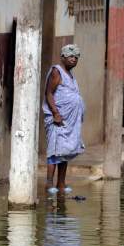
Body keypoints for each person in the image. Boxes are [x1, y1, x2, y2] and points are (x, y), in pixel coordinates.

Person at [43, 44, 85, 194]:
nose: (73, 59)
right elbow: (49, 93)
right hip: (58, 120)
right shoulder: (56, 72)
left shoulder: (71, 75)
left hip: (69, 122)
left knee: (64, 152)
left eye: (76, 57)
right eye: (70, 56)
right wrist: (55, 113)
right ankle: (49, 184)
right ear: (63, 57)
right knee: (54, 152)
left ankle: (61, 183)